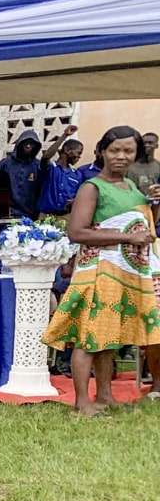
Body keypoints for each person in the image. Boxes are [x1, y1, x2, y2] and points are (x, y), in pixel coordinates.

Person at [43, 125, 160, 415]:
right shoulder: (92, 187)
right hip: (97, 271)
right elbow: (77, 232)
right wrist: (128, 238)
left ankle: (105, 395)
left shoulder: (131, 188)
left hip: (120, 273)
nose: (121, 156)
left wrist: (154, 206)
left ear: (136, 154)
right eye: (114, 150)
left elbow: (142, 226)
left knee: (108, 337)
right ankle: (82, 402)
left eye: (128, 151)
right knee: (88, 337)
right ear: (101, 152)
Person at [39, 129, 96, 216]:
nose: (79, 156)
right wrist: (64, 135)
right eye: (78, 153)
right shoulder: (51, 169)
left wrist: (76, 200)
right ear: (67, 150)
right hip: (45, 216)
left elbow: (80, 194)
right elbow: (46, 157)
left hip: (66, 217)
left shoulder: (77, 175)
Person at [0, 130, 47, 219]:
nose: (28, 146)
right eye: (25, 143)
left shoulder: (38, 166)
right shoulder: (5, 164)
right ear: (19, 144)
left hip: (30, 215)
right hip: (7, 214)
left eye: (31, 144)